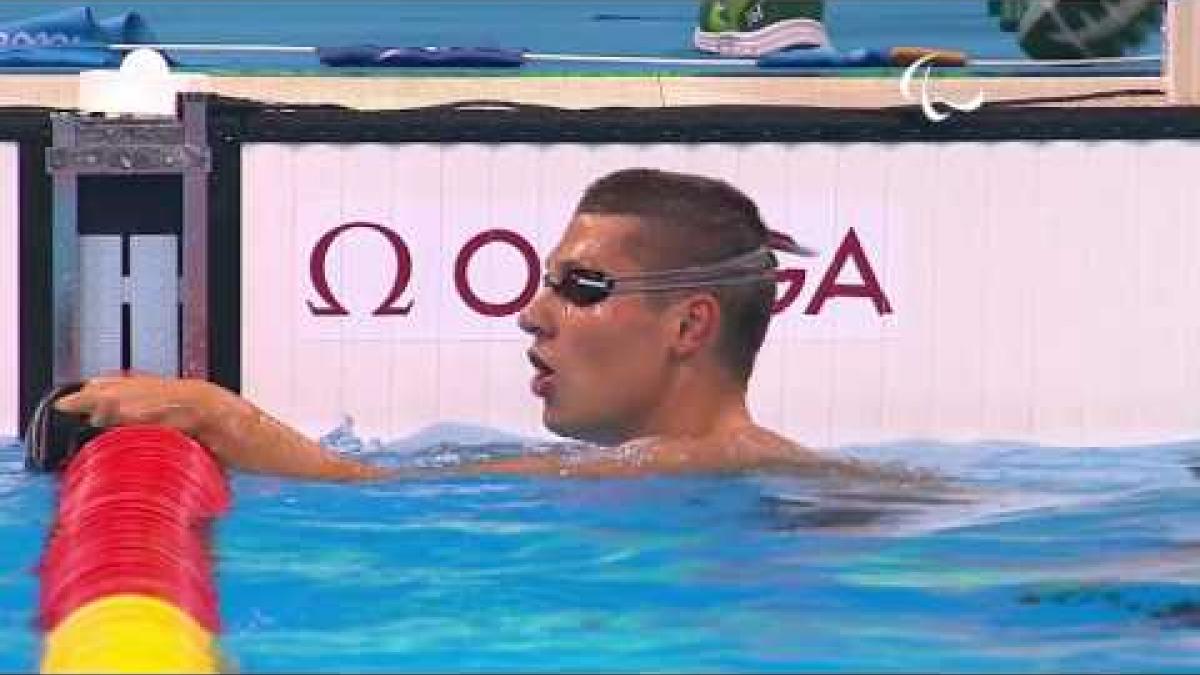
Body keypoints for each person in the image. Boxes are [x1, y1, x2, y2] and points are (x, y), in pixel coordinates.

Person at [53, 168, 895, 482]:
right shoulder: (705, 474)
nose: (532, 313)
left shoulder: (686, 468)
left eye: (582, 286)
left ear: (689, 325)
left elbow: (363, 490)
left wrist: (211, 411)